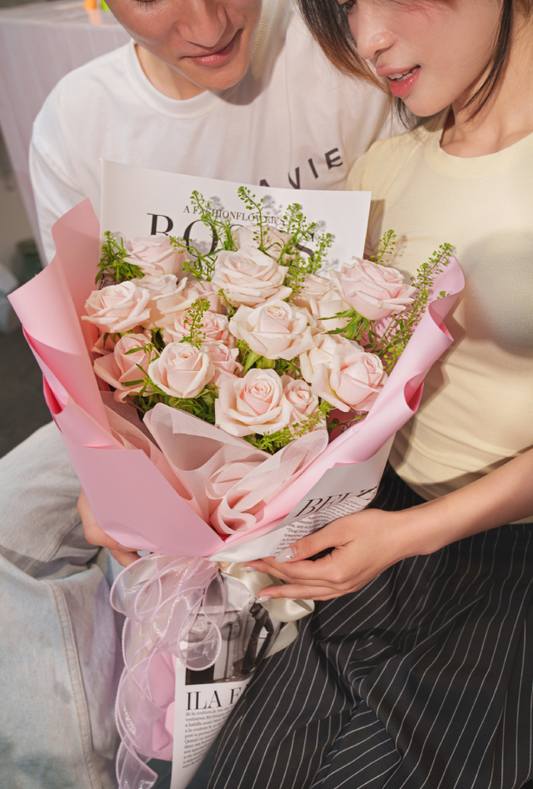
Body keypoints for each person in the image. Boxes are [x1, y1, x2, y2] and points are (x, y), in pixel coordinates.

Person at [0, 0, 393, 786]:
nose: (209, 25)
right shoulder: (79, 119)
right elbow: (81, 333)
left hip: (327, 414)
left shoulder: (338, 54)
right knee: (14, 517)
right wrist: (104, 467)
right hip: (144, 408)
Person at [206, 0, 533, 787]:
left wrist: (409, 533)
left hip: (505, 551)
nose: (366, 39)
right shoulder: (383, 171)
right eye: (342, 12)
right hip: (369, 523)